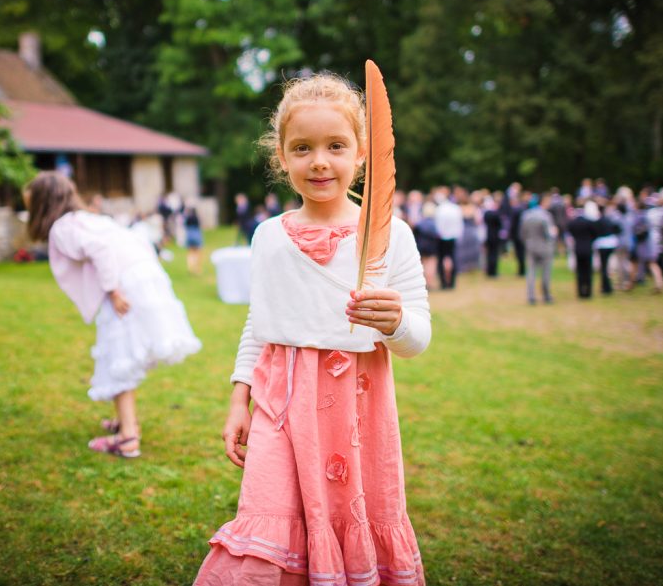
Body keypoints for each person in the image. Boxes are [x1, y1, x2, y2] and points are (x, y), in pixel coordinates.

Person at [194, 73, 432, 585]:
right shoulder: (268, 237)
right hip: (281, 404)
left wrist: (395, 324)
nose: (319, 160)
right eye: (302, 148)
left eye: (336, 146)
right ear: (281, 157)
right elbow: (261, 323)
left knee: (348, 518)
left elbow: (418, 337)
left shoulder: (391, 235)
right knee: (273, 513)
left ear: (361, 153)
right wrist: (240, 398)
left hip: (356, 407)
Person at [24, 171, 201, 458]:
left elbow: (101, 249)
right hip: (143, 276)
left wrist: (113, 290)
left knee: (118, 356)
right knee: (123, 354)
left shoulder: (63, 228)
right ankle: (125, 422)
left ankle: (128, 437)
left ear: (43, 204)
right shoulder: (89, 218)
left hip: (124, 285)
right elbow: (134, 241)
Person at [519, 194, 556, 304]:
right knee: (545, 272)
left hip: (530, 245)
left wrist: (527, 242)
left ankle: (531, 296)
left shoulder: (526, 215)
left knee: (531, 272)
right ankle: (546, 295)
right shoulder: (546, 216)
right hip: (544, 246)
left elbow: (522, 233)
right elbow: (549, 234)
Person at [567, 201, 602, 299]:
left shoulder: (573, 223)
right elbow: (595, 234)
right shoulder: (589, 223)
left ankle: (580, 292)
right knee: (588, 271)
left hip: (578, 248)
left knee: (580, 271)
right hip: (587, 248)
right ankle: (588, 292)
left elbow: (570, 232)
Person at [433, 187, 463, 289]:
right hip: (453, 237)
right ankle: (452, 283)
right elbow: (459, 224)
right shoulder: (455, 208)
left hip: (442, 237)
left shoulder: (439, 209)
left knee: (441, 259)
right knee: (453, 258)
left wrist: (440, 234)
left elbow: (438, 225)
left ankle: (444, 283)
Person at [184, 204, 204, 275]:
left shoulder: (188, 218)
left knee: (190, 252)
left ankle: (190, 267)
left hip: (189, 235)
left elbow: (185, 225)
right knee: (197, 253)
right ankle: (197, 269)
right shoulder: (196, 218)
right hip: (196, 234)